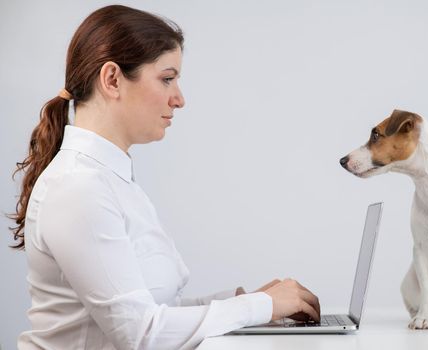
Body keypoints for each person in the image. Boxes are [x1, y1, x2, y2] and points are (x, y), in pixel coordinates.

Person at [10, 5, 320, 350]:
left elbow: (153, 315)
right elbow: (140, 334)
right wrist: (258, 306)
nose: (179, 99)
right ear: (112, 79)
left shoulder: (108, 179)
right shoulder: (78, 187)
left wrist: (251, 304)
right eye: (167, 78)